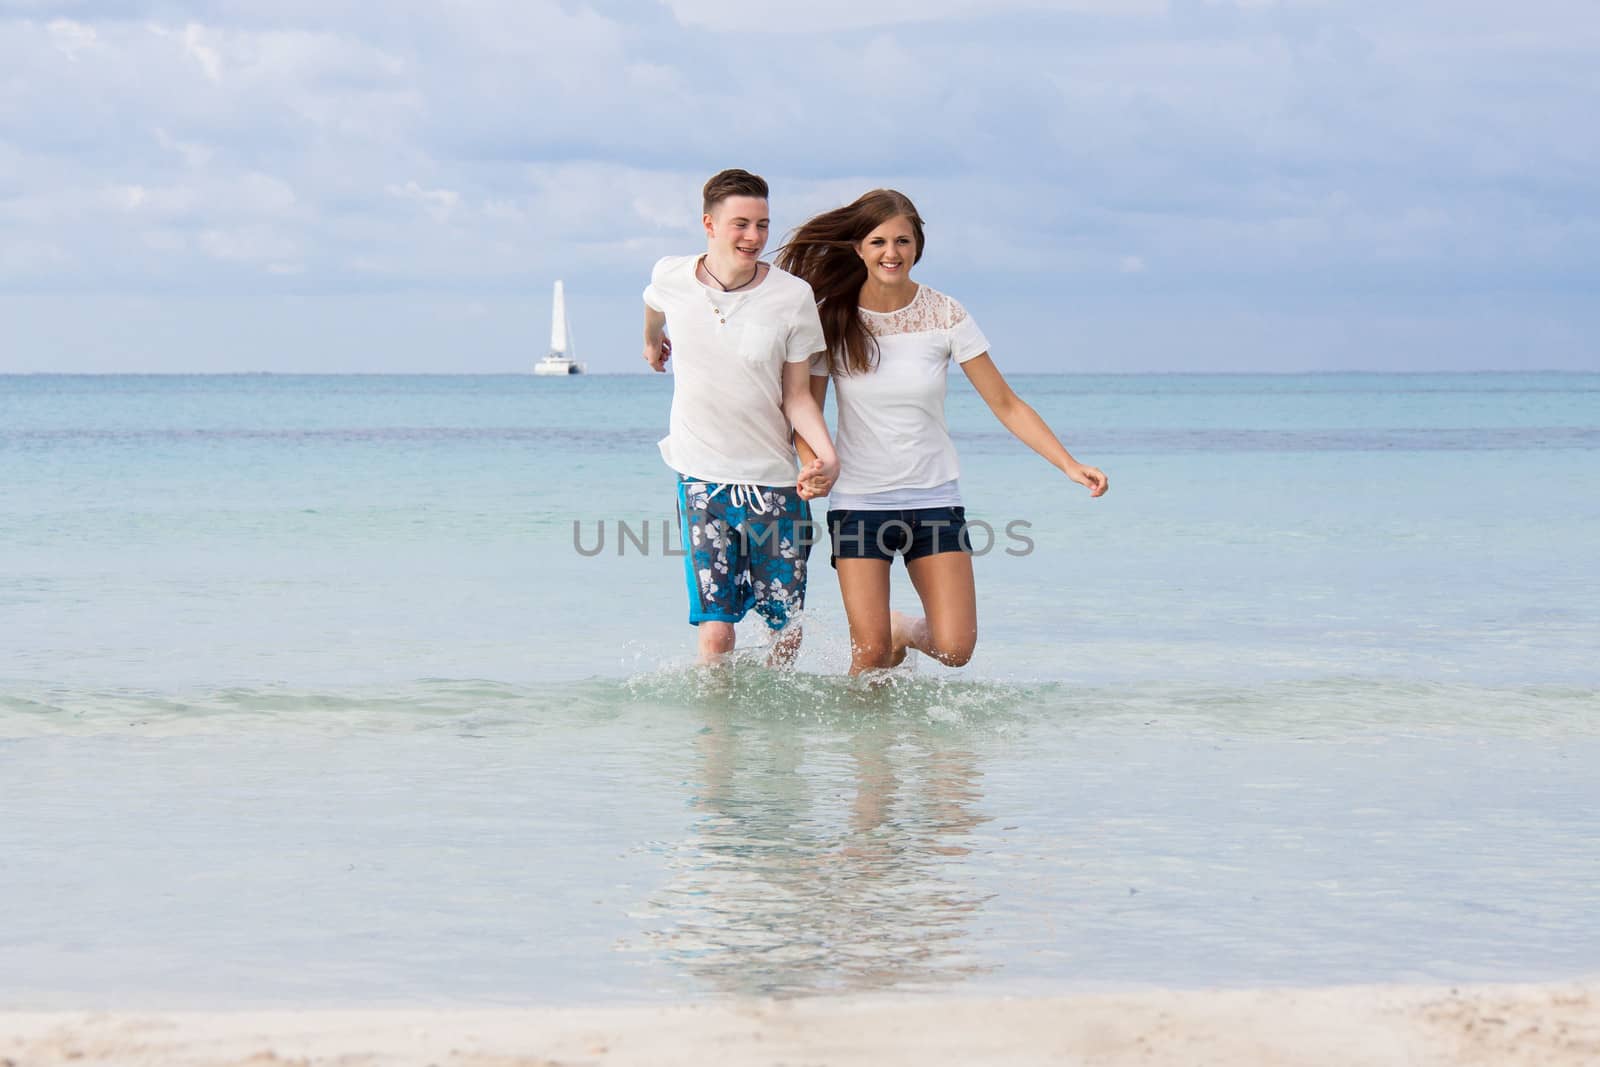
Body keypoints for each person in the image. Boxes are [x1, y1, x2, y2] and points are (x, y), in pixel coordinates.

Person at [777, 189, 1108, 675]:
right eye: (879, 241)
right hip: (859, 504)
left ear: (918, 246)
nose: (892, 252)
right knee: (868, 658)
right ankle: (868, 751)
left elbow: (1007, 404)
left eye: (903, 241)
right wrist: (813, 462)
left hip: (934, 498)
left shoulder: (945, 314)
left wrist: (1068, 463)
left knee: (955, 649)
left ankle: (902, 629)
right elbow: (806, 409)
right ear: (858, 249)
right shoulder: (833, 319)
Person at [643, 169, 839, 667]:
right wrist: (651, 341)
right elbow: (653, 302)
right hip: (701, 480)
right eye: (741, 224)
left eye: (763, 225)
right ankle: (716, 741)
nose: (754, 237)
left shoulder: (791, 298)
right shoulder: (672, 274)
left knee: (785, 628)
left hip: (775, 482)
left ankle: (775, 739)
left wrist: (827, 455)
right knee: (716, 632)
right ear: (709, 224)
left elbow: (797, 397)